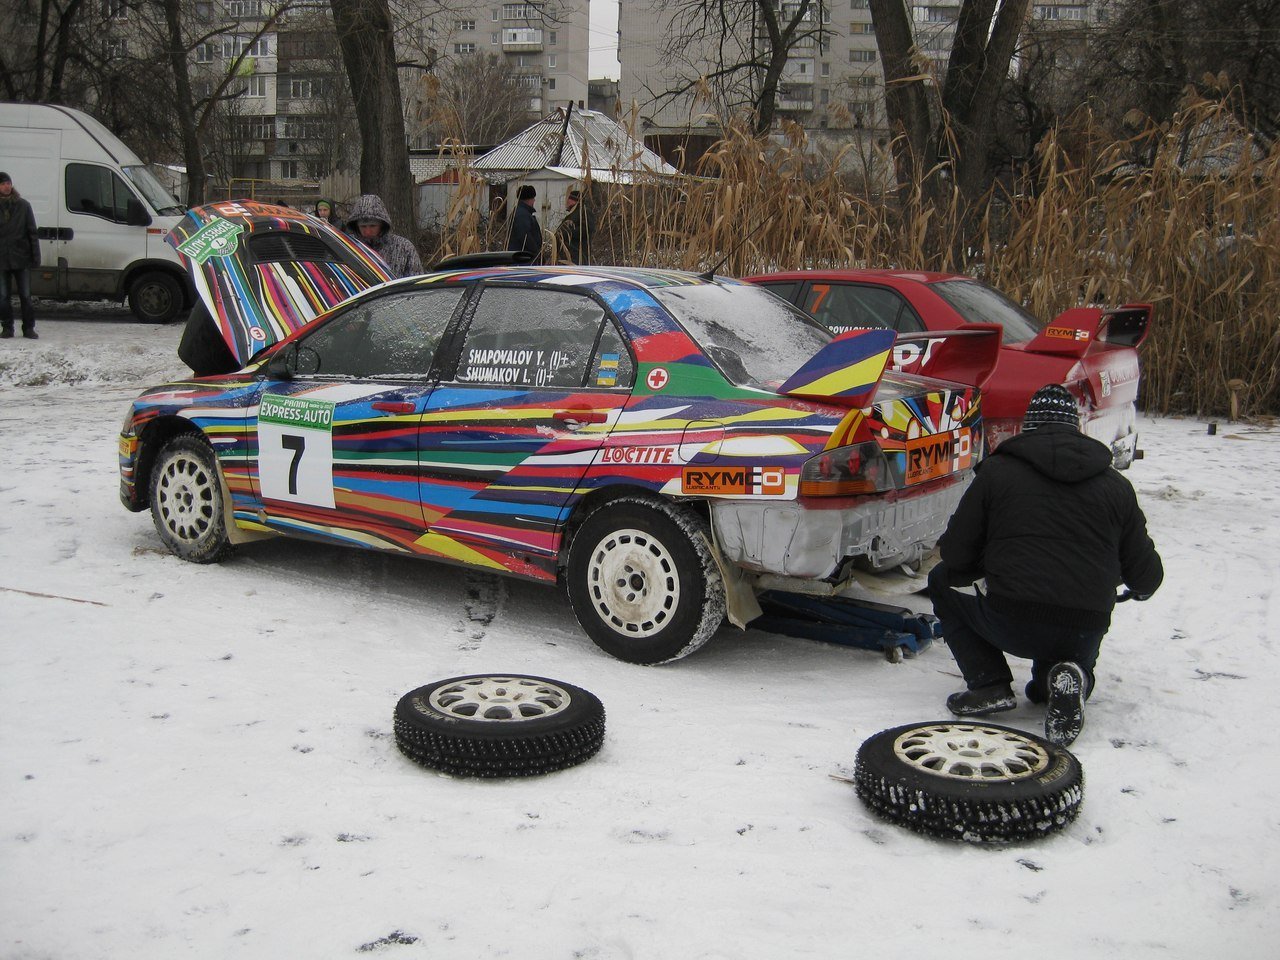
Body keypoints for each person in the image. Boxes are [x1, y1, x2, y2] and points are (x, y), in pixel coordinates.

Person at [927, 384, 1164, 746]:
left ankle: (989, 683)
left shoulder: (996, 474)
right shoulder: (1116, 486)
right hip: (1084, 624)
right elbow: (1145, 574)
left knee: (942, 579)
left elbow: (956, 554)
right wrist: (1138, 587)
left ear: (1029, 427)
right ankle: (1071, 676)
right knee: (1057, 671)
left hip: (1011, 617)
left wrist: (986, 565)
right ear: (1076, 427)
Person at [0, 171, 41, 339]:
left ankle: (28, 328)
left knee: (25, 296)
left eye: (8, 183)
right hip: (1, 259)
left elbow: (32, 232)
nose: (6, 186)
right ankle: (7, 328)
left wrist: (35, 256)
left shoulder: (23, 205)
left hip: (21, 257)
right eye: (3, 184)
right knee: (3, 297)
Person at [343, 194, 422, 279]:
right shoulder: (347, 247)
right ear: (356, 226)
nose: (368, 231)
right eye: (363, 226)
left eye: (373, 226)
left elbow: (416, 281)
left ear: (382, 225)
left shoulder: (403, 247)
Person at [507, 184, 543, 264]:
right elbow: (525, 236)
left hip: (522, 257)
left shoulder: (521, 212)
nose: (534, 200)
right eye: (533, 198)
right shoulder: (522, 215)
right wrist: (537, 252)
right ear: (529, 199)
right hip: (524, 258)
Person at [554, 188, 591, 265]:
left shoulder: (583, 212)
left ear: (575, 201)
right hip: (568, 254)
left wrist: (566, 233)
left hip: (576, 254)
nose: (567, 201)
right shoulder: (574, 213)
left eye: (569, 199)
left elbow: (586, 229)